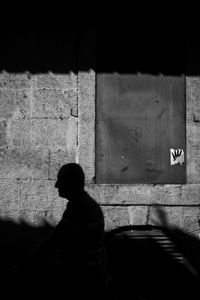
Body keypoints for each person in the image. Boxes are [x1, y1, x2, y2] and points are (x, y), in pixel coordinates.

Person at [9, 163, 108, 298]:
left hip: (80, 282)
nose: (56, 185)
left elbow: (51, 242)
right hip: (91, 277)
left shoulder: (78, 210)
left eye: (60, 180)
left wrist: (20, 267)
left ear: (71, 182)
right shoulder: (88, 205)